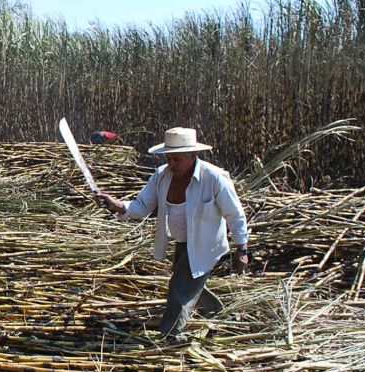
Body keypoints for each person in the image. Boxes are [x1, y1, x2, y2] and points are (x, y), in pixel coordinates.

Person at [94, 127, 249, 341]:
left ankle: (170, 334)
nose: (172, 165)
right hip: (182, 241)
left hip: (206, 244)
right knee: (187, 282)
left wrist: (242, 248)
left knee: (178, 289)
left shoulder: (214, 178)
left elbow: (235, 214)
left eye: (177, 160)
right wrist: (117, 205)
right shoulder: (162, 177)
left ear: (192, 155)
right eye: (169, 159)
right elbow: (141, 206)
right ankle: (218, 311)